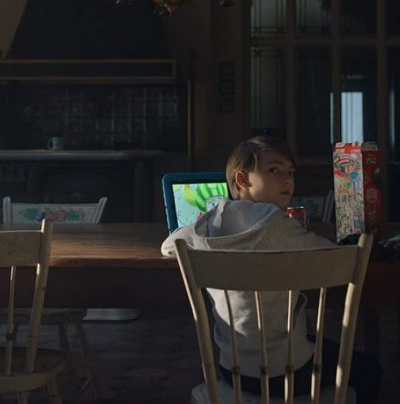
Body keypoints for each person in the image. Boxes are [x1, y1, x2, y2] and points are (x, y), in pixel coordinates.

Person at [162, 135, 382, 403]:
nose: (287, 179)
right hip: (288, 372)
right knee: (369, 370)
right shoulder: (277, 224)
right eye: (274, 170)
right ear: (242, 180)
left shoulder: (207, 223)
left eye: (290, 172)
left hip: (230, 369)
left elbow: (168, 246)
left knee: (307, 340)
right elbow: (339, 257)